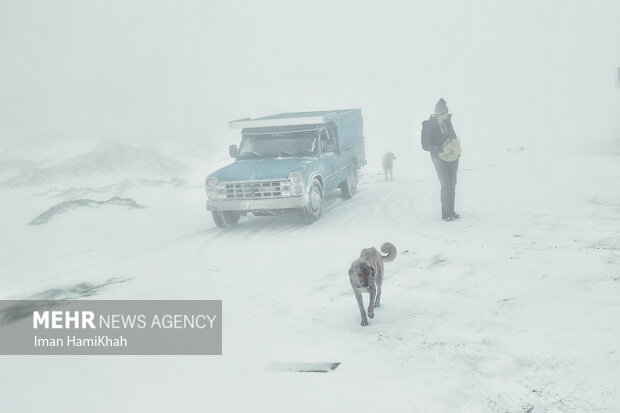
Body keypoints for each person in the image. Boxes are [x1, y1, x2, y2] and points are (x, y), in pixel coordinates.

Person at [421, 98, 461, 221]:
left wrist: (456, 148)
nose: (447, 115)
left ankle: (451, 211)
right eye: (445, 113)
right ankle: (446, 214)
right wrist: (441, 149)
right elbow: (425, 145)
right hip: (438, 158)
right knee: (446, 184)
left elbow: (453, 136)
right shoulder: (428, 126)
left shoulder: (447, 122)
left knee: (452, 183)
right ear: (440, 113)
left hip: (452, 156)